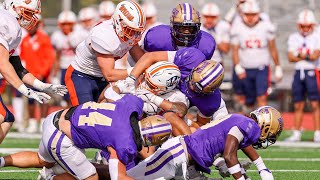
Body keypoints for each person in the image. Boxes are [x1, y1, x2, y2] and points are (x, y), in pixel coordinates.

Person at [0, 94, 173, 179]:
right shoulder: (125, 142)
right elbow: (118, 176)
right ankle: (51, 178)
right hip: (62, 137)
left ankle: (1, 162)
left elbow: (119, 94)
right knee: (91, 177)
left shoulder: (129, 107)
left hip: (56, 118)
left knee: (42, 160)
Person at [126, 106, 282, 180]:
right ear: (266, 125)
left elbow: (239, 142)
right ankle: (101, 173)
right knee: (128, 178)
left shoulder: (244, 122)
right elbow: (229, 156)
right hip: (177, 156)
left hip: (185, 158)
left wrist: (262, 168)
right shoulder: (250, 127)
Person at [0, 0, 67, 143]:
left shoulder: (15, 30)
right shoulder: (7, 21)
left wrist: (41, 86)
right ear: (12, 7)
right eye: (27, 13)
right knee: (3, 117)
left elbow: (18, 68)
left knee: (6, 117)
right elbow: (2, 63)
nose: (30, 18)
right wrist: (25, 90)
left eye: (32, 14)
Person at [65, 0, 147, 106]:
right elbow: (110, 74)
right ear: (118, 22)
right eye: (131, 30)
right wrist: (139, 71)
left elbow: (142, 59)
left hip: (102, 78)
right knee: (84, 114)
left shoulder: (127, 35)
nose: (135, 35)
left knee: (106, 114)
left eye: (137, 31)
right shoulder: (103, 35)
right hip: (82, 75)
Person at [121, 48, 228, 129]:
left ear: (209, 91)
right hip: (168, 90)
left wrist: (187, 122)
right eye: (192, 79)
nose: (191, 86)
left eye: (197, 87)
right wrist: (131, 80)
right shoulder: (192, 58)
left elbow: (200, 126)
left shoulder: (211, 102)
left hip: (180, 103)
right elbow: (150, 57)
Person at [230, 0, 283, 113]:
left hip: (261, 68)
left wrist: (278, 66)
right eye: (247, 15)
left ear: (258, 14)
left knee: (262, 97)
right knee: (247, 101)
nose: (250, 18)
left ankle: (262, 126)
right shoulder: (237, 26)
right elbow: (234, 50)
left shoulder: (266, 26)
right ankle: (246, 126)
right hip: (245, 68)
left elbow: (272, 48)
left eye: (253, 14)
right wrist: (238, 66)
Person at [285, 9, 320, 142]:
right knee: (298, 104)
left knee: (315, 103)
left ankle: (317, 133)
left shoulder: (317, 36)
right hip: (298, 73)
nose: (305, 29)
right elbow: (290, 57)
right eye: (303, 26)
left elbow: (315, 55)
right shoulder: (294, 37)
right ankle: (297, 133)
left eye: (308, 26)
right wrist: (306, 55)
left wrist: (299, 55)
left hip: (312, 72)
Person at [142, 3, 216, 60]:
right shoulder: (157, 37)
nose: (186, 32)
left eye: (191, 28)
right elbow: (143, 59)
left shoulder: (205, 43)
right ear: (173, 26)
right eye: (182, 27)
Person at [20, 15, 56, 133]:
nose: (30, 27)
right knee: (30, 99)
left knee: (44, 99)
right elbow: (22, 58)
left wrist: (42, 73)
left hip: (42, 75)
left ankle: (43, 122)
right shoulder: (25, 40)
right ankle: (31, 122)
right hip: (29, 75)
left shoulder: (44, 38)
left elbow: (49, 58)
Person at [51, 10, 79, 107]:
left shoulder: (79, 34)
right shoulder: (56, 36)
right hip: (63, 68)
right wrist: (54, 73)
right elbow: (57, 55)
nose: (66, 27)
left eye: (68, 24)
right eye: (64, 24)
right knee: (65, 95)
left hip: (76, 68)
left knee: (76, 93)